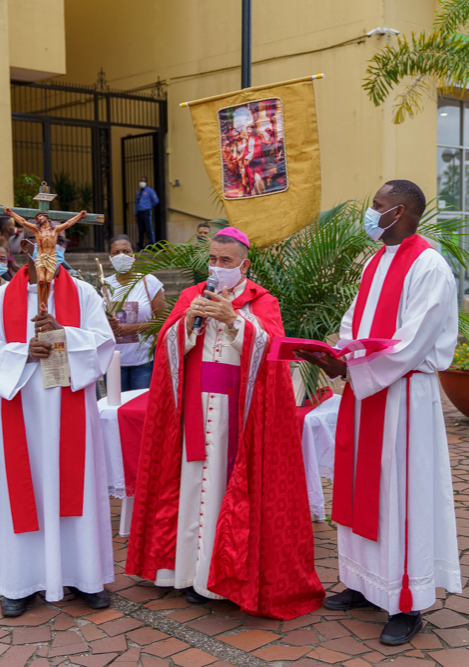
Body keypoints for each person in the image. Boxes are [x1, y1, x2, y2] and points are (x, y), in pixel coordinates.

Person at [127, 227, 324, 620]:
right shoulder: (191, 296)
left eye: (226, 262)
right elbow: (167, 347)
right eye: (212, 260)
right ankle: (184, 572)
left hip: (239, 412)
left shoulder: (262, 302)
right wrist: (187, 323)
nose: (217, 268)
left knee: (222, 485)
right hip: (194, 408)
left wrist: (236, 322)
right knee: (192, 483)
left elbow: (273, 350)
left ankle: (219, 579)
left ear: (244, 265)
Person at [295, 180, 461, 645]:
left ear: (402, 211)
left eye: (378, 206)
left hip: (403, 397)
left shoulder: (428, 265)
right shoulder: (376, 262)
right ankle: (365, 583)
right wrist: (335, 355)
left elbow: (414, 342)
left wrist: (353, 366)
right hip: (368, 394)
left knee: (401, 496)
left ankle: (407, 602)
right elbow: (355, 324)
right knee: (361, 489)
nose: (371, 213)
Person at [0, 220, 116, 618]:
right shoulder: (0, 301)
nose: (48, 250)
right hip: (22, 408)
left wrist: (64, 334)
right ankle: (19, 581)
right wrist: (23, 352)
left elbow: (103, 344)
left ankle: (85, 577)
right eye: (37, 242)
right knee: (22, 489)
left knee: (75, 486)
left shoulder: (83, 294)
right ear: (23, 248)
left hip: (71, 413)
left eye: (57, 242)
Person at [104, 235, 166, 390]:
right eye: (116, 252)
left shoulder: (149, 282)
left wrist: (132, 328)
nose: (121, 256)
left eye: (126, 251)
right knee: (116, 410)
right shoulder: (103, 285)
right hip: (112, 362)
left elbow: (163, 320)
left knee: (141, 409)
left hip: (144, 361)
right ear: (109, 258)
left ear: (134, 256)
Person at [135, 176, 160, 250]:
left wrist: (149, 207)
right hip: (139, 212)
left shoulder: (150, 191)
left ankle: (152, 245)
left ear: (146, 182)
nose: (142, 182)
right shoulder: (138, 192)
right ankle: (140, 246)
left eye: (144, 181)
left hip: (146, 211)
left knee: (149, 229)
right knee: (141, 230)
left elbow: (156, 201)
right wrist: (135, 213)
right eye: (141, 181)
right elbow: (136, 203)